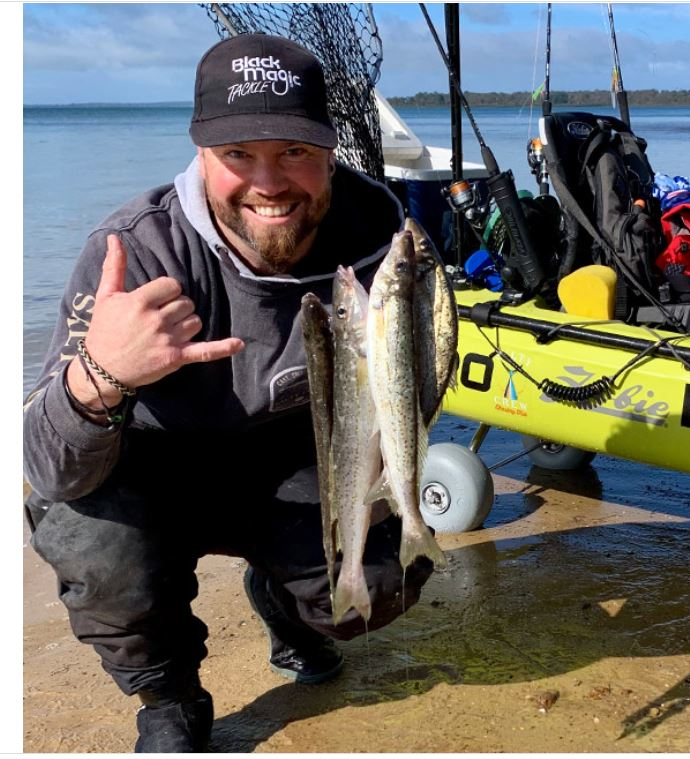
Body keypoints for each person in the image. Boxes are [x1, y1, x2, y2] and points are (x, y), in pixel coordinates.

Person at [23, 33, 434, 753]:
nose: (268, 183)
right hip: (148, 463)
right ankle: (168, 695)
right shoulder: (135, 250)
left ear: (330, 148)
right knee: (85, 537)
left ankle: (287, 603)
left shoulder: (380, 234)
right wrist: (101, 374)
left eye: (294, 151)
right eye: (238, 154)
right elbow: (45, 466)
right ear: (201, 153)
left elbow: (416, 385)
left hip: (298, 451)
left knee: (380, 581)